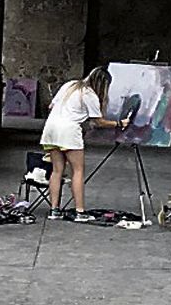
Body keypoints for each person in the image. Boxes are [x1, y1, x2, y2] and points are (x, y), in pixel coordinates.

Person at [39, 66, 129, 222]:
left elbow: (51, 106)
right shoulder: (90, 95)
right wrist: (119, 123)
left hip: (50, 129)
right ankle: (80, 212)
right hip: (69, 132)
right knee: (78, 171)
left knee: (56, 171)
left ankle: (54, 210)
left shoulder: (70, 85)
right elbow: (99, 121)